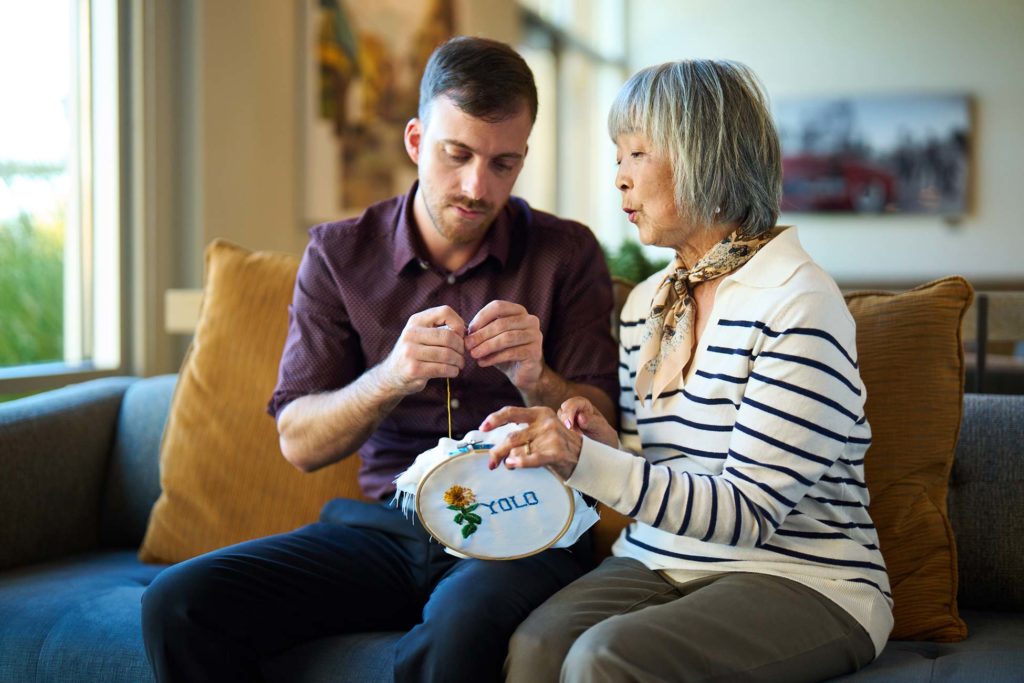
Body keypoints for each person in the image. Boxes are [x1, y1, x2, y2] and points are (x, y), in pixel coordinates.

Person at [140, 36, 618, 683]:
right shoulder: (339, 255)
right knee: (179, 602)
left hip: (524, 527)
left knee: (461, 625)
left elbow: (603, 428)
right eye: (458, 155)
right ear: (417, 141)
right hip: (387, 526)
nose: (479, 186)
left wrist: (540, 381)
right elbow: (300, 440)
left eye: (503, 164)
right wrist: (391, 375)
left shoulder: (568, 253)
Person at [484, 59, 894, 683]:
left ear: (707, 157)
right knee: (536, 646)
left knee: (605, 658)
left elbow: (746, 513)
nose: (617, 178)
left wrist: (587, 461)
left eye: (636, 154)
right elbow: (647, 464)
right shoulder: (649, 302)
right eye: (616, 156)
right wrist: (594, 440)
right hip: (660, 556)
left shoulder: (796, 302)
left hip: (804, 576)